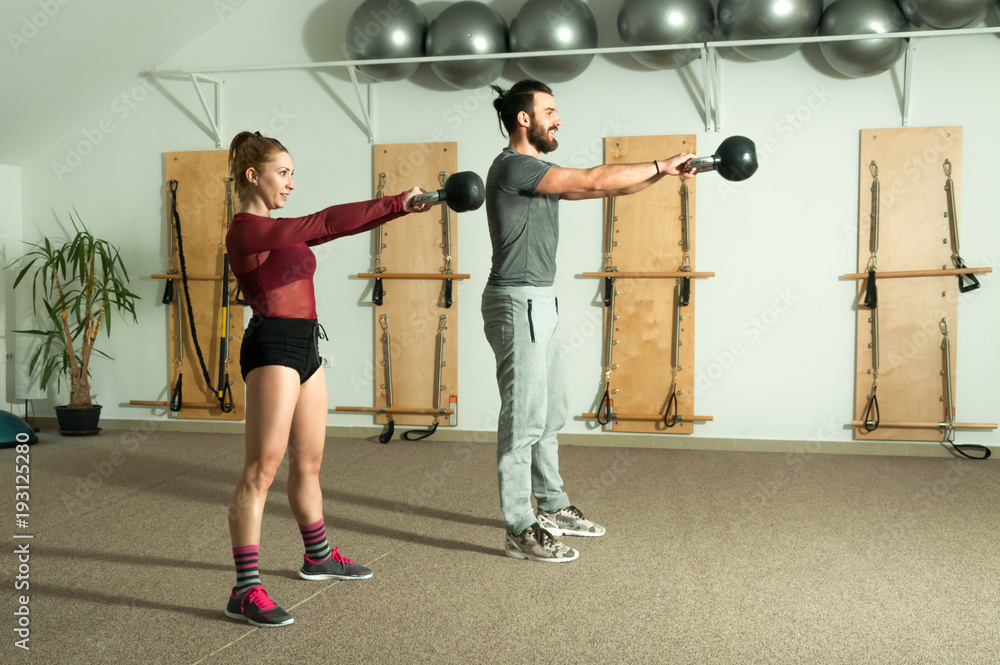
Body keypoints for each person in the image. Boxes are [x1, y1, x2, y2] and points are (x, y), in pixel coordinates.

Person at [482, 80, 696, 563]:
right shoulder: (513, 167)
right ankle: (519, 526)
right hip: (516, 302)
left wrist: (665, 174)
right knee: (523, 419)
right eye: (551, 111)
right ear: (524, 119)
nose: (558, 119)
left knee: (551, 411)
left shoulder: (536, 171)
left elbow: (607, 189)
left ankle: (552, 506)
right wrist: (660, 162)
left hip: (539, 300)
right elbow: (596, 179)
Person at [223, 131, 428, 626]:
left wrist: (403, 209)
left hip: (306, 345)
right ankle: (244, 591)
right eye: (284, 172)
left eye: (292, 173)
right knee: (261, 470)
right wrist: (395, 198)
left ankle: (317, 556)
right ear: (254, 175)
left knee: (309, 461)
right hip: (272, 345)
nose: (292, 182)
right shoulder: (247, 230)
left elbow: (334, 229)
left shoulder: (278, 228)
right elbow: (325, 220)